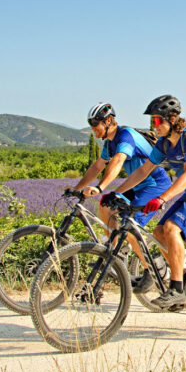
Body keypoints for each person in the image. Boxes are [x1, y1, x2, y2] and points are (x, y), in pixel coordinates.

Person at [114, 95, 186, 309]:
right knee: (158, 233)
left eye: (157, 121)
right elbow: (143, 170)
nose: (153, 126)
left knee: (171, 228)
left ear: (172, 118)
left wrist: (162, 198)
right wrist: (117, 192)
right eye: (152, 122)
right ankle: (181, 272)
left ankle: (176, 290)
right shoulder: (164, 144)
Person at [70, 102, 172, 289]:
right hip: (139, 185)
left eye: (95, 123)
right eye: (91, 124)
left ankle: (156, 269)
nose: (92, 128)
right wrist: (77, 188)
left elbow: (118, 161)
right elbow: (97, 166)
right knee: (106, 204)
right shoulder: (110, 143)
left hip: (155, 185)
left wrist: (100, 187)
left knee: (130, 226)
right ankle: (115, 252)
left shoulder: (125, 136)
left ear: (108, 121)